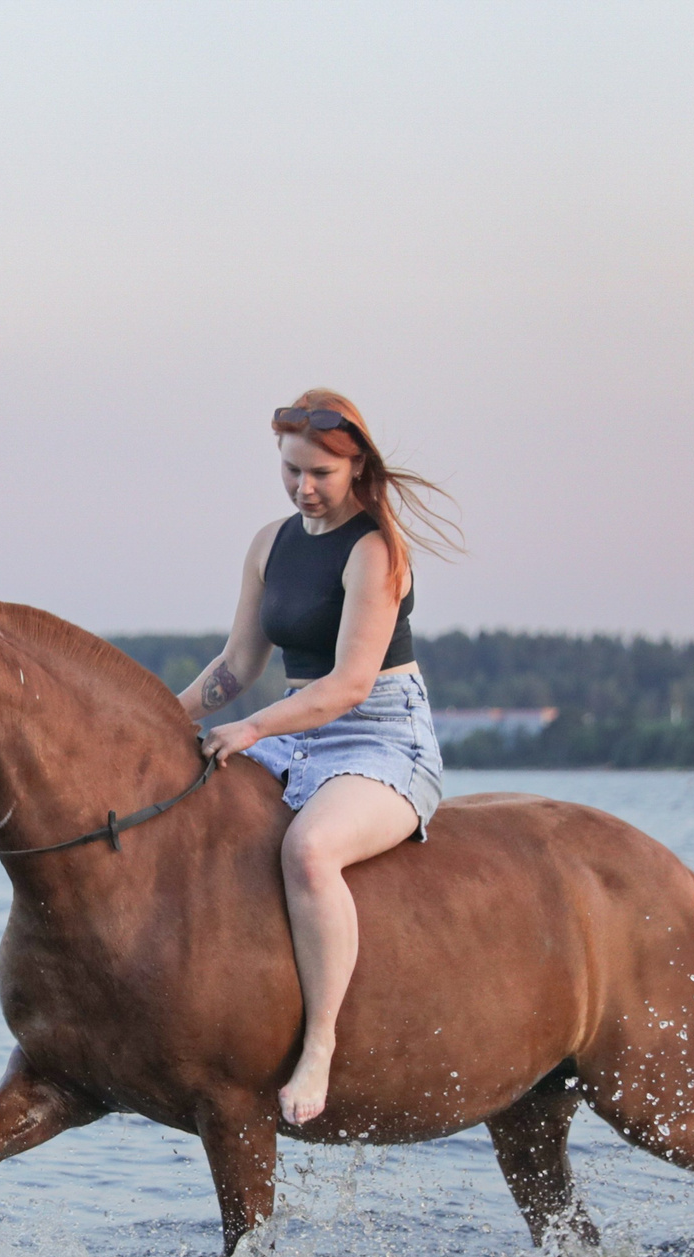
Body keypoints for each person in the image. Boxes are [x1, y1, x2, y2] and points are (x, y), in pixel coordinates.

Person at [177, 389, 458, 1127]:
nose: (304, 487)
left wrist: (253, 729)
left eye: (321, 474)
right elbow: (236, 665)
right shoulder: (270, 543)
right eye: (291, 469)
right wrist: (159, 721)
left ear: (356, 465)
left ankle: (320, 1044)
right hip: (298, 732)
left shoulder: (376, 550)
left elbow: (349, 684)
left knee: (309, 850)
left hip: (382, 736)